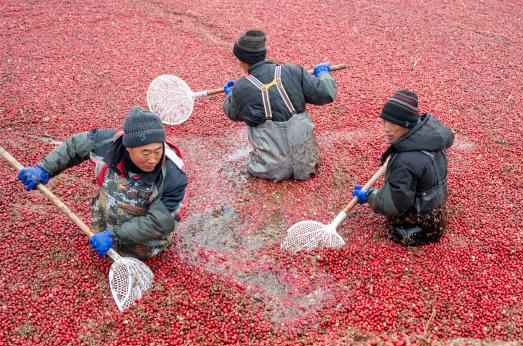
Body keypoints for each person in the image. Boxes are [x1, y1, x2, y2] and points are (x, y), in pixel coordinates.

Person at [17, 107, 188, 259]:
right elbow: (74, 146)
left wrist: (115, 236)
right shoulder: (108, 144)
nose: (152, 159)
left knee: (144, 249)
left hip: (148, 228)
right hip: (108, 211)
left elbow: (161, 221)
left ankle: (119, 238)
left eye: (158, 151)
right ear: (128, 148)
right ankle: (107, 230)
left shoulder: (173, 175)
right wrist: (44, 169)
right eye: (145, 153)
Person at [222, 29, 337, 182]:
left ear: (242, 59)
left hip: (268, 168)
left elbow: (233, 113)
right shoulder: (294, 71)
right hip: (307, 162)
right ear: (263, 54)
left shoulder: (242, 88)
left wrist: (232, 96)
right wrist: (324, 74)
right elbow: (326, 93)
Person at [351, 90, 454, 246]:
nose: (386, 128)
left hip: (416, 228)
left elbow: (395, 204)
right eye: (384, 121)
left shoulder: (405, 161)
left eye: (393, 123)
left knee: (398, 220)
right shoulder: (433, 139)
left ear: (407, 124)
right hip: (436, 214)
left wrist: (370, 196)